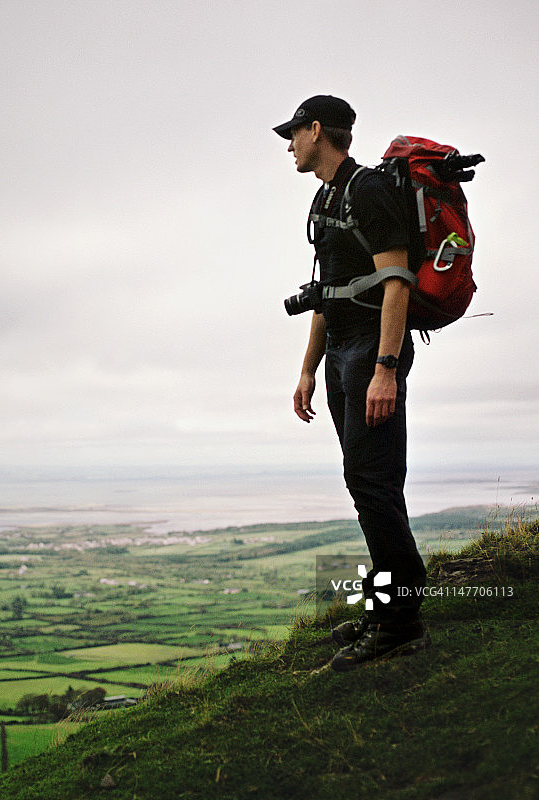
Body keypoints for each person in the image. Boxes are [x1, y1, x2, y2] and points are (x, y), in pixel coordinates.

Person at [273, 95, 428, 671]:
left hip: (370, 354)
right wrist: (308, 368)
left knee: (374, 483)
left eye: (294, 134)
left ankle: (401, 623)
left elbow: (397, 281)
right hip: (341, 352)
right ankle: (386, 608)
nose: (290, 145)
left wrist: (385, 368)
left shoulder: (367, 190)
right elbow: (327, 293)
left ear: (317, 130)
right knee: (366, 483)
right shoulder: (325, 198)